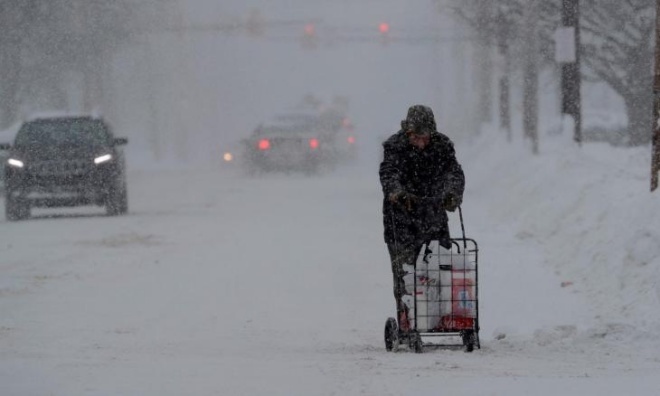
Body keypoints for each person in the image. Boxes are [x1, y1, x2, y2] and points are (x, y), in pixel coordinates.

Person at [379, 104, 465, 334]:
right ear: (408, 133)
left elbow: (453, 173)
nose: (421, 142)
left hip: (433, 216)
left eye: (425, 136)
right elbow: (389, 174)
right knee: (406, 273)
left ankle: (442, 317)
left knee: (440, 268)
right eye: (416, 137)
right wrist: (397, 193)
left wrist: (452, 193)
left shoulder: (442, 146)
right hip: (401, 221)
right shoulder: (394, 147)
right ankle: (408, 321)